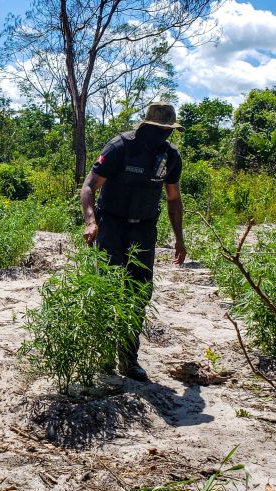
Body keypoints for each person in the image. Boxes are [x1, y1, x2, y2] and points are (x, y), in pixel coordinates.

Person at [80, 102, 187, 382]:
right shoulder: (120, 146)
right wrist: (91, 221)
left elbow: (174, 199)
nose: (165, 135)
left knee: (138, 294)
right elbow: (89, 186)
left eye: (169, 131)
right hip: (111, 227)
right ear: (146, 126)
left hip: (144, 231)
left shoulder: (170, 156)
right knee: (105, 289)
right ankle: (103, 356)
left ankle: (128, 359)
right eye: (160, 129)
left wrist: (179, 238)